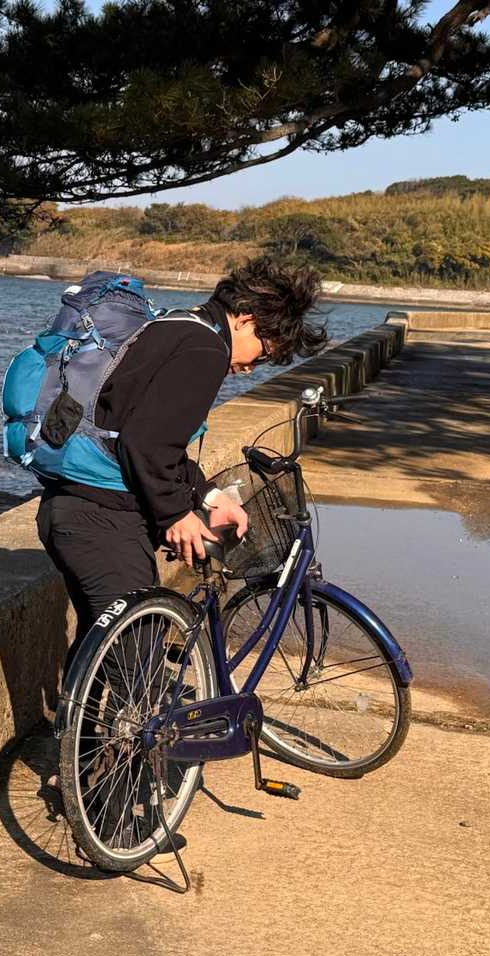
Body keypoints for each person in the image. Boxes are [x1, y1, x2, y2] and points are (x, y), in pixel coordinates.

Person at [35, 257, 327, 659]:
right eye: (261, 354)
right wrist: (175, 515)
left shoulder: (175, 324)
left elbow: (147, 439)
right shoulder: (205, 348)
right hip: (103, 521)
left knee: (99, 651)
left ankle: (82, 705)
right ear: (245, 320)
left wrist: (207, 496)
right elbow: (144, 444)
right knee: (138, 663)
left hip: (74, 509)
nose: (249, 368)